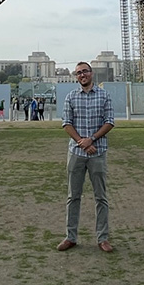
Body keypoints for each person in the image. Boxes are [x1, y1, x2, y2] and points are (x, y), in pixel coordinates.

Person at [58, 62, 115, 253]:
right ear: (76, 76)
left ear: (92, 73)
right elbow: (67, 124)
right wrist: (82, 142)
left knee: (101, 197)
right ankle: (70, 236)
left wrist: (90, 140)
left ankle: (103, 238)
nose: (82, 75)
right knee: (73, 196)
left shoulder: (104, 95)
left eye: (85, 71)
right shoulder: (71, 97)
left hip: (97, 152)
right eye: (79, 72)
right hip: (76, 152)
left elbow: (109, 122)